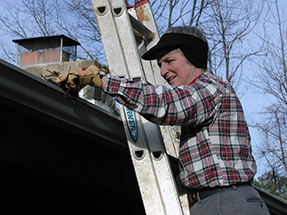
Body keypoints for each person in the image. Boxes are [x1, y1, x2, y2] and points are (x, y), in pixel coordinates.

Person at [64, 26, 270, 215]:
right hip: (218, 202)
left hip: (224, 202)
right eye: (160, 65)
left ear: (193, 57)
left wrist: (102, 80)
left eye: (169, 61)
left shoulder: (211, 89)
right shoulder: (204, 98)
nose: (162, 72)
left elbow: (166, 104)